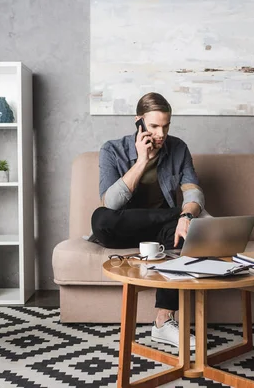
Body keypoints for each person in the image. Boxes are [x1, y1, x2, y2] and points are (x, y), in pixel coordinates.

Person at [91, 92, 204, 348]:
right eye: (154, 126)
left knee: (187, 233)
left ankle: (164, 322)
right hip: (123, 229)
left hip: (161, 233)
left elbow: (193, 190)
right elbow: (111, 203)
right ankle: (175, 216)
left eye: (166, 126)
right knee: (101, 218)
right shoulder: (112, 150)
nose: (161, 134)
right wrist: (142, 161)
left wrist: (186, 215)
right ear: (139, 122)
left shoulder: (178, 148)